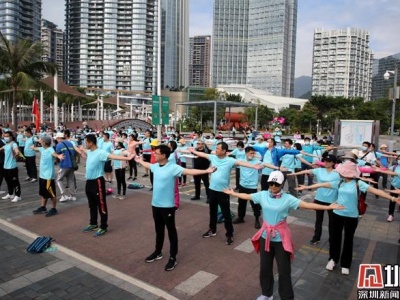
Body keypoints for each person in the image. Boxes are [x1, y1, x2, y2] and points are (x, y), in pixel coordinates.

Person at [224, 171, 344, 300]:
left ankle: (286, 297)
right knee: (265, 268)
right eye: (271, 183)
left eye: (277, 183)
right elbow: (247, 196)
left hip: (281, 238)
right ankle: (266, 293)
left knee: (284, 270)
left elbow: (307, 205)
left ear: (282, 184)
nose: (273, 186)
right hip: (265, 236)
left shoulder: (288, 199)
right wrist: (233, 193)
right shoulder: (263, 195)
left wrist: (328, 207)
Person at [297, 161, 400, 275]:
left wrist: (393, 199)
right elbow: (322, 184)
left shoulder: (358, 183)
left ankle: (346, 264)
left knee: (348, 240)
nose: (340, 173)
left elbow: (376, 191)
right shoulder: (339, 182)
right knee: (335, 238)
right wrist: (307, 186)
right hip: (337, 213)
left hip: (352, 216)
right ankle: (333, 259)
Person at [135, 144, 216, 271]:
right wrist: (138, 160)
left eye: (156, 153)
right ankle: (158, 252)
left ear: (163, 155)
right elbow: (147, 165)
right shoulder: (156, 166)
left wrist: (206, 171)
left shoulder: (173, 168)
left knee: (171, 231)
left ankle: (173, 257)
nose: (154, 155)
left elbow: (189, 171)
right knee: (159, 230)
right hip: (155, 204)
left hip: (167, 206)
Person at [189, 142, 263, 245]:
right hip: (212, 190)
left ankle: (229, 234)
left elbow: (241, 163)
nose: (216, 150)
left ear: (224, 151)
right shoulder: (213, 157)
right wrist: (193, 151)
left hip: (223, 192)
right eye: (216, 148)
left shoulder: (230, 160)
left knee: (226, 214)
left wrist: (253, 167)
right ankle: (212, 230)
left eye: (218, 148)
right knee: (212, 212)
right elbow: (204, 154)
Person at [79, 134, 135, 237]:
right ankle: (93, 223)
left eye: (86, 142)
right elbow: (82, 150)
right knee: (91, 204)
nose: (85, 144)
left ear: (91, 143)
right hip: (89, 182)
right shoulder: (89, 151)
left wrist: (127, 158)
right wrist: (80, 149)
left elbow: (112, 156)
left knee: (101, 204)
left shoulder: (100, 153)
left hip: (98, 182)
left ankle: (103, 226)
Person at [289, 154, 340, 245]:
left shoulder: (338, 173)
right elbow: (307, 171)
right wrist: (293, 173)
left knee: (333, 221)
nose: (326, 163)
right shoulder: (319, 170)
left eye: (328, 161)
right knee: (318, 220)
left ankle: (332, 239)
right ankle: (316, 237)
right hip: (320, 198)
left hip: (332, 200)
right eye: (325, 161)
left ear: (333, 163)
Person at [232, 146, 262, 229]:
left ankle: (257, 219)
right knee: (241, 203)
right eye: (250, 153)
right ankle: (241, 218)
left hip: (252, 187)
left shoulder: (257, 162)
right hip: (242, 186)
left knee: (255, 204)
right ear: (246, 153)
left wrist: (258, 157)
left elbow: (264, 163)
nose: (252, 155)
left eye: (253, 153)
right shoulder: (241, 161)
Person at [31, 136, 60, 217]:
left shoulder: (50, 149)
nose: (40, 141)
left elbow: (54, 154)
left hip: (48, 177)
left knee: (52, 194)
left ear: (44, 142)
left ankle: (54, 209)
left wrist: (58, 156)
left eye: (41, 140)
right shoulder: (42, 149)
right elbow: (36, 149)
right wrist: (33, 147)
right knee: (44, 193)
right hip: (42, 176)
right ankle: (43, 207)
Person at [55, 132, 77, 202]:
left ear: (59, 138)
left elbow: (57, 155)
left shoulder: (59, 145)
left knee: (59, 180)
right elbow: (73, 153)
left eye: (56, 139)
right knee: (71, 180)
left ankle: (63, 195)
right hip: (71, 165)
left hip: (64, 165)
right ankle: (73, 196)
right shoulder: (70, 143)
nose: (56, 140)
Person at [0, 131, 22, 202]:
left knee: (15, 182)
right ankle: (10, 194)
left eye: (7, 136)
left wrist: (17, 153)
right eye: (5, 136)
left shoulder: (13, 144)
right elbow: (1, 149)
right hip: (6, 167)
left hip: (12, 167)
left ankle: (18, 195)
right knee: (8, 181)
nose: (5, 137)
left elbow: (17, 151)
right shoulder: (6, 145)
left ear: (11, 137)